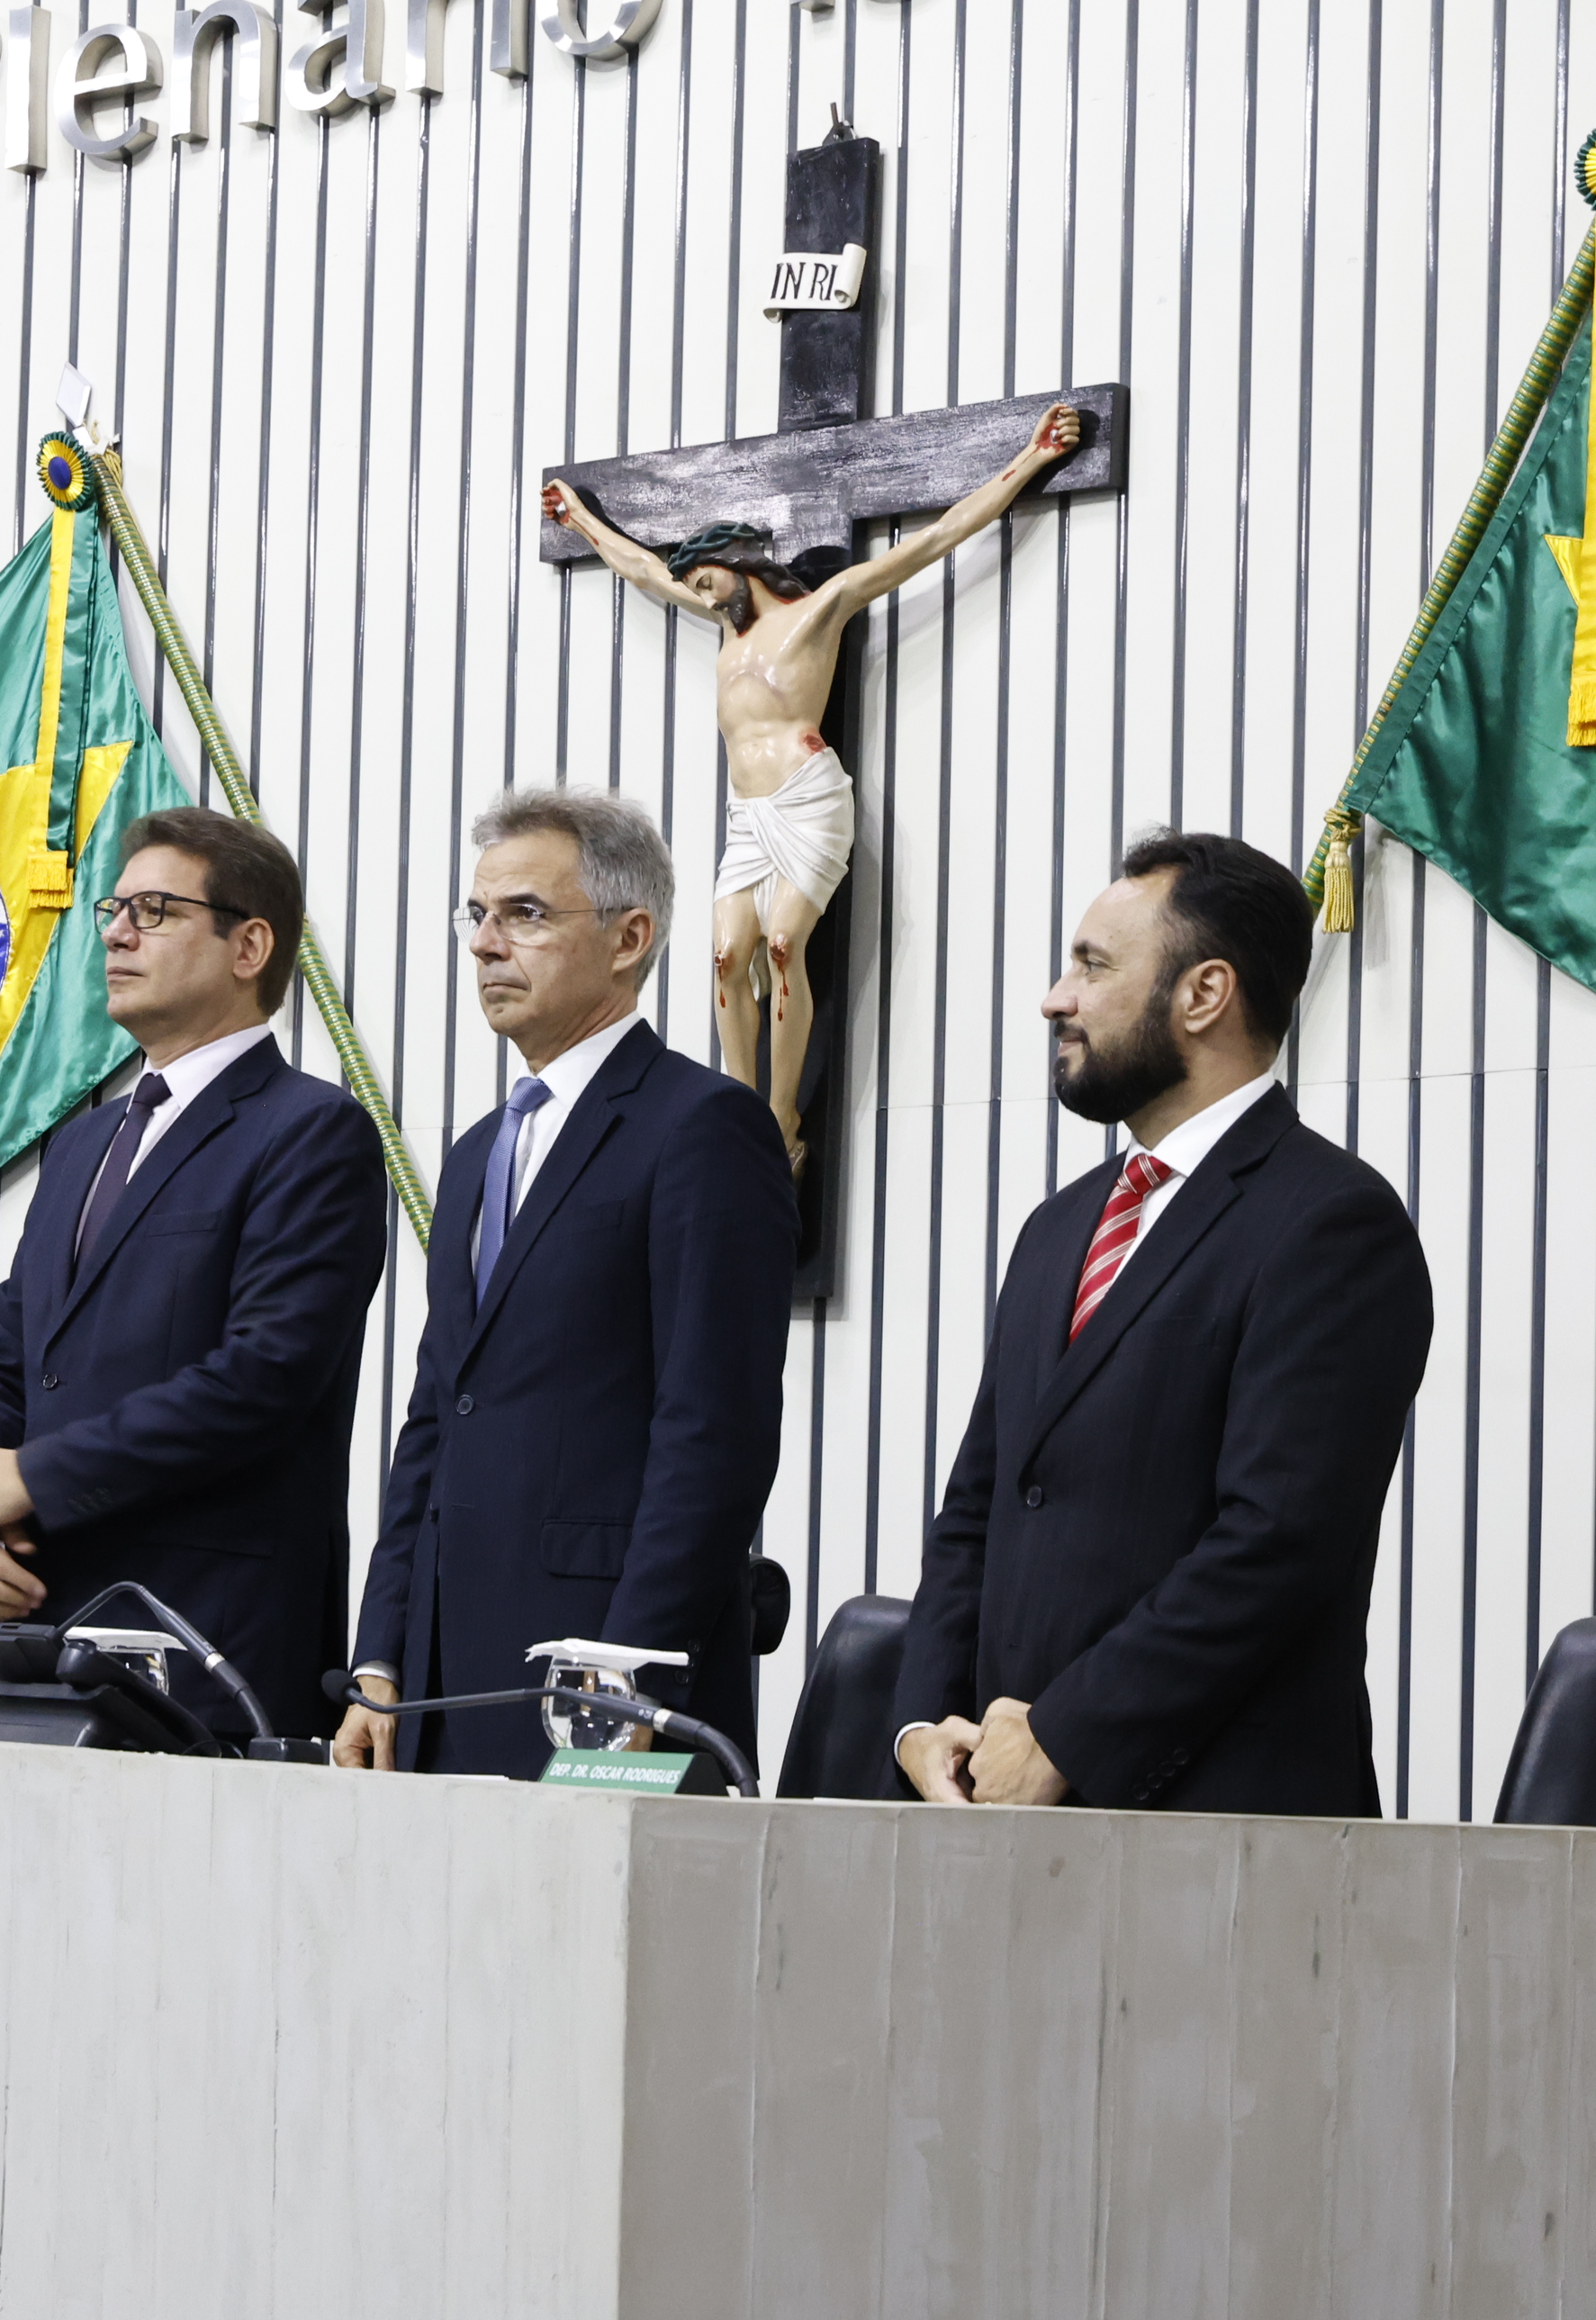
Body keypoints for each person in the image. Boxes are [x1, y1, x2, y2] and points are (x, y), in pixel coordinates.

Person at [893, 833, 1430, 1817]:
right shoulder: (1059, 1228)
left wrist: (1066, 1736)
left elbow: (1275, 1545)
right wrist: (928, 1725)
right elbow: (979, 1507)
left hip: (1224, 1828)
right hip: (1005, 1814)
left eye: (1092, 965)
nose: (1057, 997)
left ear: (1203, 993)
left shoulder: (1332, 1225)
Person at [335, 788, 797, 1778]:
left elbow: (714, 1425)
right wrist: (380, 1655)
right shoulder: (473, 1156)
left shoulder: (701, 1128)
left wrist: (633, 1666)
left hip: (604, 1679)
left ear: (631, 936)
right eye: (478, 914)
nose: (486, 944)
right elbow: (436, 1418)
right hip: (444, 1678)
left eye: (526, 915)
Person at [0, 806, 389, 1739]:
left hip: (197, 1640)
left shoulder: (311, 1131)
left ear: (250, 944)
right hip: (24, 1625)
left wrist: (30, 1479)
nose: (118, 932)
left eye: (158, 910)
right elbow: (5, 1354)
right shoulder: (87, 1138)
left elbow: (260, 1381)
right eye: (114, 909)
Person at [546, 402, 1085, 1161]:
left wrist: (1031, 461)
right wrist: (579, 522)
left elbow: (938, 537)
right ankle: (739, 1101)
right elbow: (639, 566)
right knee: (728, 956)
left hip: (807, 798)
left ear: (739, 566)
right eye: (695, 590)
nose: (702, 598)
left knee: (785, 940)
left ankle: (780, 1116)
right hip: (748, 816)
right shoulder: (724, 634)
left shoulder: (817, 613)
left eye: (707, 583)